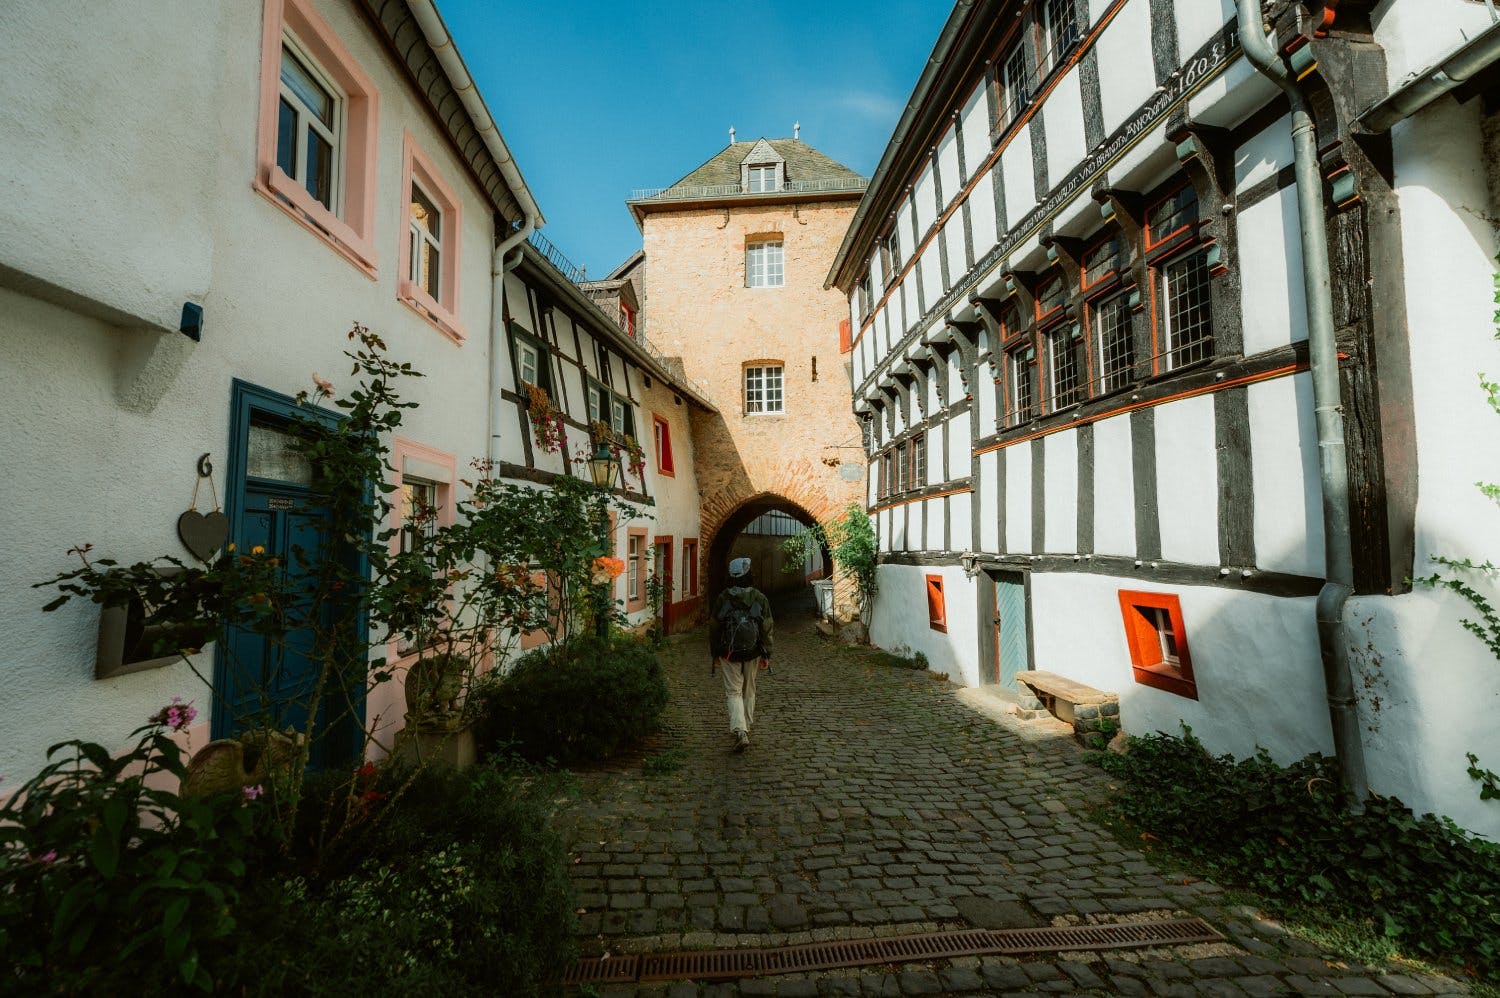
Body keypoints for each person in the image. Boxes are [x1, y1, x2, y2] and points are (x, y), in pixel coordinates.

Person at [709, 557, 774, 752]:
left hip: (729, 653)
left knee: (733, 691)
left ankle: (740, 730)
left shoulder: (723, 598)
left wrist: (715, 652)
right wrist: (766, 653)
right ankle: (745, 725)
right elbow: (767, 627)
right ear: (748, 575)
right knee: (749, 689)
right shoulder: (759, 598)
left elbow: (714, 627)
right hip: (753, 651)